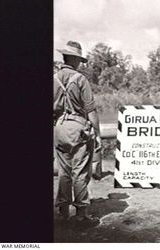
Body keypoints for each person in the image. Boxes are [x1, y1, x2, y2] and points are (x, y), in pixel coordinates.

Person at [53, 41, 101, 222]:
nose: (80, 63)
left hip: (59, 127)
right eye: (79, 60)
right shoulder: (80, 80)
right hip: (78, 128)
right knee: (80, 171)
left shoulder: (53, 78)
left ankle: (63, 211)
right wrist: (97, 134)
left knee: (64, 171)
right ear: (73, 59)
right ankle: (82, 214)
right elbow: (91, 110)